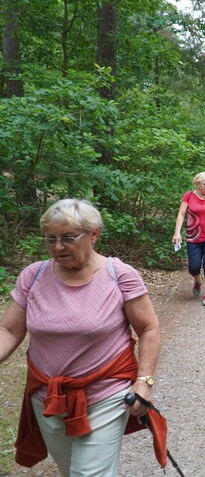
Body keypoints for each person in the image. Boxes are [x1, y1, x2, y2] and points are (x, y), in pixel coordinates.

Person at [0, 199, 161, 476]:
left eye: (68, 238)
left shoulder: (119, 275)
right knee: (70, 470)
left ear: (94, 234)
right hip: (48, 398)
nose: (58, 246)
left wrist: (144, 382)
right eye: (51, 239)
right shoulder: (34, 275)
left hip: (105, 396)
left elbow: (149, 329)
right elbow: (9, 330)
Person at [172, 172, 205, 306]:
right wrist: (177, 233)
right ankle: (197, 280)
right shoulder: (188, 196)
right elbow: (181, 214)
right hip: (193, 235)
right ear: (197, 184)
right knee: (193, 267)